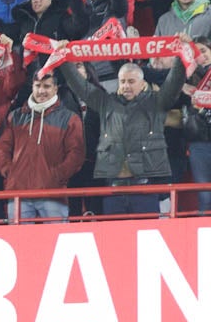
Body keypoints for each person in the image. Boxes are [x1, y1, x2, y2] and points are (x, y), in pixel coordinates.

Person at [60, 54, 187, 215]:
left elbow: (173, 85)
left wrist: (181, 58)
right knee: (114, 239)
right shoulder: (105, 104)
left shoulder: (156, 103)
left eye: (131, 81)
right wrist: (64, 60)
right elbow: (80, 87)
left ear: (142, 84)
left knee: (145, 236)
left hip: (146, 190)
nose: (126, 85)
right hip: (113, 190)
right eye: (123, 81)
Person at [0, 73, 84, 221]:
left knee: (56, 240)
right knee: (19, 241)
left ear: (56, 89)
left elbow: (76, 154)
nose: (41, 91)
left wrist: (56, 176)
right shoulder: (15, 116)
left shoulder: (70, 118)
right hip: (19, 192)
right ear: (32, 87)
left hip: (52, 193)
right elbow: (2, 148)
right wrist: (9, 171)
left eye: (47, 86)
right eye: (38, 86)